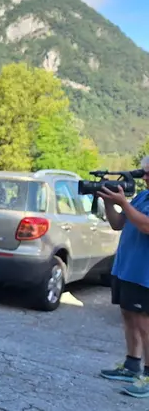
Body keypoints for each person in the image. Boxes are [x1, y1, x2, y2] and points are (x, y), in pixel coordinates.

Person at [99, 157, 149, 398]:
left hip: (145, 275)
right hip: (126, 269)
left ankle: (148, 376)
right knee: (129, 316)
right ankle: (131, 365)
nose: (145, 177)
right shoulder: (142, 197)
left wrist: (123, 203)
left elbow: (147, 227)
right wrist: (109, 203)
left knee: (145, 324)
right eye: (145, 173)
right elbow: (118, 223)